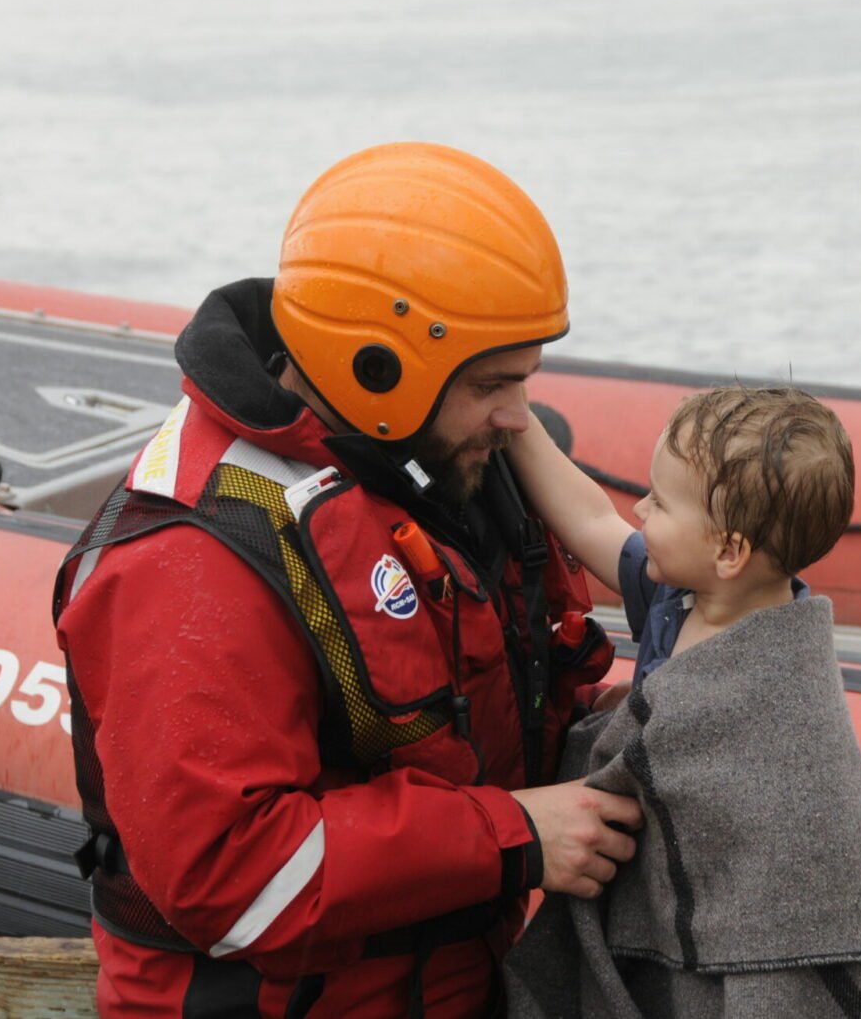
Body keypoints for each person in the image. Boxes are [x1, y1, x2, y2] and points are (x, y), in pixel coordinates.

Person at [52, 142, 643, 1018]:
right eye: (491, 386)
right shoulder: (195, 557)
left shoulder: (437, 472)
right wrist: (512, 836)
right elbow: (227, 872)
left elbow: (494, 705)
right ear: (378, 368)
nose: (520, 419)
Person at [503, 385, 861, 1018]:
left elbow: (802, 832)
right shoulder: (681, 596)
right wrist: (515, 421)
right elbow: (589, 518)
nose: (640, 507)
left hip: (738, 922)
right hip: (649, 894)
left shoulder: (777, 674)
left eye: (661, 503)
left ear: (728, 550)